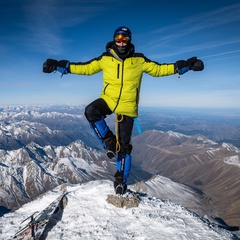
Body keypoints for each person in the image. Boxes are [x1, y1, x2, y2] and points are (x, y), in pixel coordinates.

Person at [43, 26, 204, 195]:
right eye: (118, 38)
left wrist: (186, 66)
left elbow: (159, 69)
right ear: (114, 40)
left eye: (124, 38)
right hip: (108, 99)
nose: (121, 42)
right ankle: (108, 140)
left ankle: (121, 181)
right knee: (91, 111)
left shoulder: (139, 60)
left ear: (129, 40)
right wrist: (58, 66)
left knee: (124, 147)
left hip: (127, 105)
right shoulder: (106, 58)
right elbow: (85, 68)